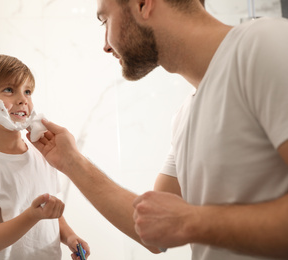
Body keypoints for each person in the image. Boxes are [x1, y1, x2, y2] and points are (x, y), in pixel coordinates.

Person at [27, 0, 288, 259]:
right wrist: (72, 162)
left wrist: (192, 221)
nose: (105, 45)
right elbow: (154, 229)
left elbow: (181, 221)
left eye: (105, 20)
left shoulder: (266, 44)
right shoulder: (186, 117)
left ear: (143, 4)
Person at [0, 54, 90, 260]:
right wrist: (33, 215)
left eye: (27, 91)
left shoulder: (42, 153)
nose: (23, 99)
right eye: (9, 90)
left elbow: (51, 213)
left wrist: (70, 237)